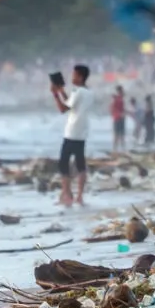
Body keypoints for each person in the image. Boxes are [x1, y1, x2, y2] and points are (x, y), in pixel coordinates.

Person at [51, 65, 93, 208]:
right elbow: (72, 104)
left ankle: (67, 195)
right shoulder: (87, 92)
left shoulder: (78, 91)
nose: (72, 78)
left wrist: (55, 94)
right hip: (81, 132)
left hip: (72, 132)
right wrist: (62, 92)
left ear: (80, 77)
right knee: (80, 164)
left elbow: (63, 109)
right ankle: (79, 196)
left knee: (64, 164)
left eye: (74, 75)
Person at [111, 85, 126, 153]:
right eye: (121, 91)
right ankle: (115, 150)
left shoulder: (121, 98)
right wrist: (119, 114)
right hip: (117, 118)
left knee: (122, 135)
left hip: (121, 119)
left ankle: (123, 149)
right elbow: (113, 109)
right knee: (117, 135)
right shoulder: (116, 99)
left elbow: (122, 108)